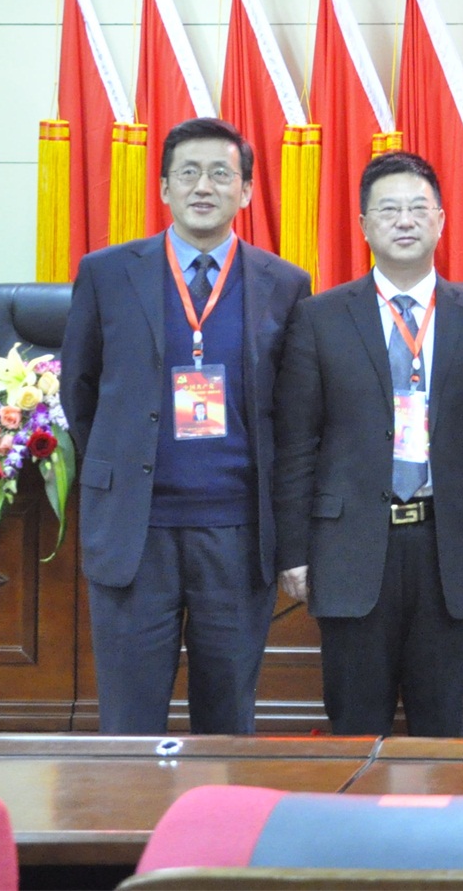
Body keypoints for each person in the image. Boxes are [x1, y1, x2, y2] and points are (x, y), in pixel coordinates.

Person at [61, 117, 311, 734]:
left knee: (227, 719)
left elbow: (293, 412)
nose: (204, 186)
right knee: (129, 720)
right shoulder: (106, 273)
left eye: (222, 174)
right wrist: (122, 472)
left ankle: (218, 805)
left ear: (245, 191)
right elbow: (79, 390)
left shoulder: (285, 284)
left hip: (236, 532)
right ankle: (131, 806)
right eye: (189, 172)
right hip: (135, 530)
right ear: (164, 187)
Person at [272, 152, 463, 737]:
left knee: (442, 727)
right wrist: (294, 550)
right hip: (350, 546)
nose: (404, 220)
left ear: (440, 220)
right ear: (363, 225)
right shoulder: (319, 319)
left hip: (448, 545)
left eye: (417, 208)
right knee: (355, 727)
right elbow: (298, 445)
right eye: (388, 209)